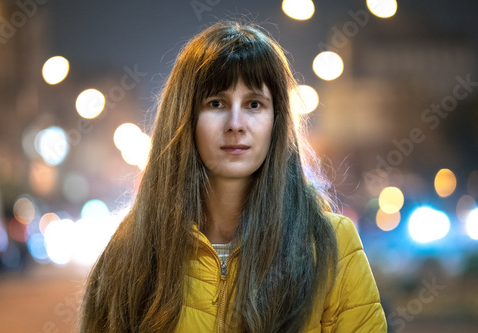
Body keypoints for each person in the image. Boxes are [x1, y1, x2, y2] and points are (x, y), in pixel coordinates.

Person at [79, 20, 387, 332]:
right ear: (184, 118)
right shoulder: (131, 249)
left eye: (254, 104)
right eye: (216, 103)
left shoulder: (330, 245)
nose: (235, 123)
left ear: (276, 121)